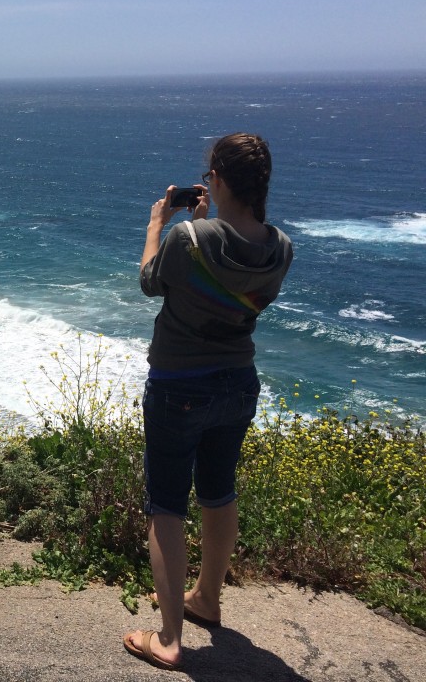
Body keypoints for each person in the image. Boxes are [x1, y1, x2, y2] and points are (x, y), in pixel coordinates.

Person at [123, 133, 294, 672]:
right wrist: (199, 221)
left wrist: (159, 225)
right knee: (219, 492)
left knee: (166, 504)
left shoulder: (187, 239)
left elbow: (152, 282)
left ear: (216, 179)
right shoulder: (281, 248)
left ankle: (170, 639)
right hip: (238, 381)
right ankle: (206, 599)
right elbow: (235, 282)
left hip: (180, 385)